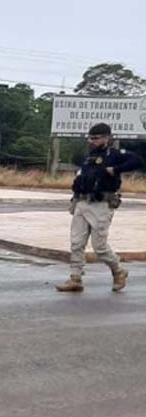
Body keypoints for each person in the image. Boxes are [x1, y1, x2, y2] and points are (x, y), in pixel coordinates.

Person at [56, 123, 143, 293]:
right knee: (76, 243)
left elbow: (137, 161)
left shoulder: (115, 155)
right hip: (82, 202)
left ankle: (118, 271)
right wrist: (74, 200)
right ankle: (75, 278)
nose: (92, 141)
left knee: (100, 247)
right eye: (91, 138)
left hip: (101, 204)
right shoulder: (89, 157)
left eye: (96, 138)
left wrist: (115, 170)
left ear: (106, 138)